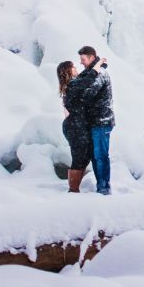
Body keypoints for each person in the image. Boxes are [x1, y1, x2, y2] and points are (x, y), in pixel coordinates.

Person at [73, 45, 115, 195]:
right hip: (93, 122)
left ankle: (104, 188)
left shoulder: (100, 73)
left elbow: (88, 94)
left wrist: (76, 94)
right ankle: (100, 186)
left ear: (91, 58)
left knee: (101, 155)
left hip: (102, 121)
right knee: (95, 156)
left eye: (83, 59)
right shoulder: (91, 72)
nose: (81, 62)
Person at [57, 60, 91, 193]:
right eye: (73, 67)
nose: (76, 68)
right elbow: (87, 80)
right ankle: (73, 189)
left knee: (85, 156)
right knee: (79, 157)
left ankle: (74, 187)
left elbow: (84, 77)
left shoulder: (71, 84)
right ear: (67, 71)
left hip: (75, 125)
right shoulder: (72, 85)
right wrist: (97, 66)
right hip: (73, 126)